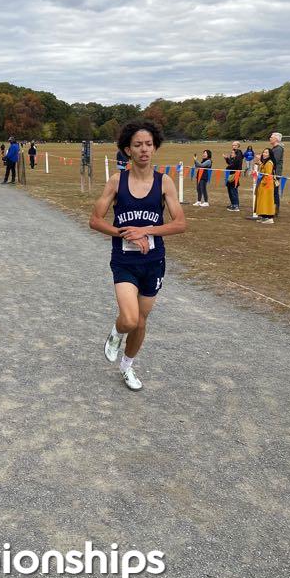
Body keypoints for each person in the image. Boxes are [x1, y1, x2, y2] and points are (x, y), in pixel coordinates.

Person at [89, 120, 186, 391]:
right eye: (137, 145)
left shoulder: (164, 182)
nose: (144, 149)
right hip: (125, 261)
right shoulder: (117, 181)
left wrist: (146, 230)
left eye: (148, 144)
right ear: (127, 150)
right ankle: (116, 332)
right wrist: (125, 234)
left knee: (141, 322)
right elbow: (95, 220)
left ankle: (127, 366)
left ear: (155, 148)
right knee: (130, 319)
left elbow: (180, 224)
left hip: (153, 262)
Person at [254, 148, 275, 224]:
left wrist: (262, 183)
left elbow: (268, 175)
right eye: (264, 152)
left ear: (270, 154)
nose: (264, 154)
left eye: (266, 152)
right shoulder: (265, 162)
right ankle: (264, 216)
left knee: (267, 201)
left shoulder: (269, 163)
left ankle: (269, 218)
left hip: (267, 185)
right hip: (263, 185)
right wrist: (259, 161)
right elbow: (262, 167)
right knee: (263, 201)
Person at [224, 140, 244, 211]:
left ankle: (236, 205)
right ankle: (233, 204)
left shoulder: (239, 153)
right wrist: (227, 159)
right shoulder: (234, 153)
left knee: (233, 189)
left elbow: (234, 164)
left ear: (238, 146)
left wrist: (228, 166)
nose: (233, 146)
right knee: (229, 188)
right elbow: (230, 163)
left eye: (235, 145)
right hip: (231, 173)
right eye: (232, 145)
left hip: (235, 174)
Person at [268, 132, 284, 216]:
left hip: (275, 174)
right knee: (272, 192)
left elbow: (274, 160)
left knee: (274, 192)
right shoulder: (274, 148)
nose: (270, 138)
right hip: (271, 173)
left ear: (276, 139)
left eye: (271, 137)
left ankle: (275, 210)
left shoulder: (278, 149)